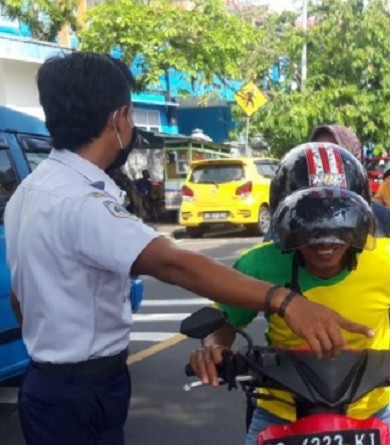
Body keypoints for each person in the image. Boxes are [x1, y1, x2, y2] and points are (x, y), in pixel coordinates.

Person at [5, 52, 370, 445]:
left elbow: (19, 297)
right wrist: (286, 301)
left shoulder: (29, 192)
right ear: (118, 118)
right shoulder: (83, 203)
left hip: (49, 381)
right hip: (83, 389)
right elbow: (172, 263)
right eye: (129, 117)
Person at [189, 184, 390, 445]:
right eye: (312, 227)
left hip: (371, 409)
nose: (326, 241)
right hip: (279, 413)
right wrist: (214, 348)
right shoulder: (257, 266)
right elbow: (226, 316)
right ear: (288, 228)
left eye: (339, 226)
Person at [307, 125, 390, 271]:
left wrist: (382, 271)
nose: (326, 165)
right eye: (318, 155)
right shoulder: (294, 215)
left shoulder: (378, 217)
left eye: (334, 156)